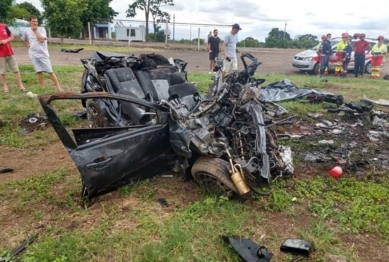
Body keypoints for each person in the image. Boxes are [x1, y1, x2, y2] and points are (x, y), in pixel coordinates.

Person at [21, 15, 63, 92]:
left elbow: (41, 40)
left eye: (36, 21)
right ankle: (42, 87)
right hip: (33, 55)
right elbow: (23, 39)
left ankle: (58, 87)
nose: (35, 23)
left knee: (50, 71)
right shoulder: (27, 30)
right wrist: (27, 45)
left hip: (43, 54)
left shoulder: (41, 29)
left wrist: (35, 31)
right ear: (30, 22)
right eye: (33, 21)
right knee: (39, 71)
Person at [0, 23, 27, 93]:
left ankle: (21, 85)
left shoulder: (4, 26)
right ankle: (5, 86)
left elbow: (12, 36)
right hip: (0, 55)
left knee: (16, 69)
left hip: (9, 52)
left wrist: (6, 40)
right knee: (2, 71)